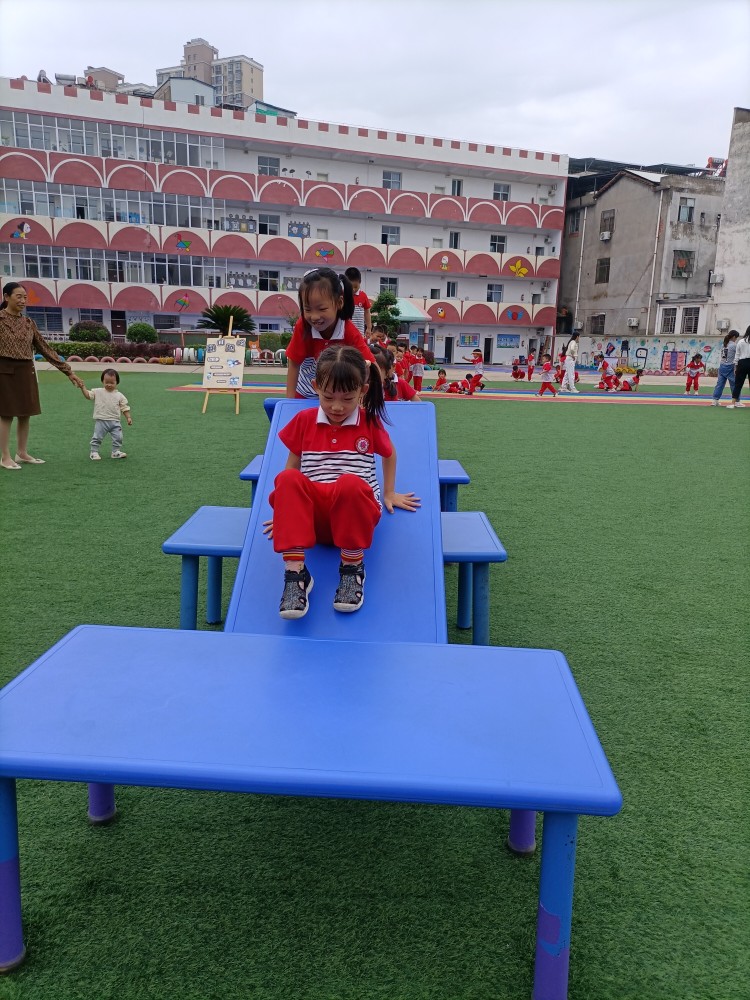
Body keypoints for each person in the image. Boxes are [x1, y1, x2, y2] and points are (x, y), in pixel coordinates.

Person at [264, 345, 420, 619]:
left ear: (363, 390)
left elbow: (389, 454)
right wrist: (287, 514)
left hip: (353, 515)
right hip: (315, 521)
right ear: (315, 387)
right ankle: (296, 574)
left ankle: (352, 568)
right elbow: (292, 467)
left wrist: (390, 492)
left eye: (347, 399)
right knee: (286, 479)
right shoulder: (304, 420)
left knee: (350, 483)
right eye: (328, 397)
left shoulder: (368, 422)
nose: (337, 407)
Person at [0, 281, 85, 469]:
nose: (23, 301)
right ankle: (5, 457)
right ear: (6, 297)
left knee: (25, 413)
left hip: (26, 370)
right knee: (6, 414)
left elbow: (44, 348)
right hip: (4, 371)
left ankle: (22, 453)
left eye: (25, 297)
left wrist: (68, 372)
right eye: (18, 297)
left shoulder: (28, 323)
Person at [284, 268, 374, 398]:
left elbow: (372, 365)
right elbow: (294, 364)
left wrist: (368, 398)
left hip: (335, 395)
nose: (314, 317)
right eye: (307, 309)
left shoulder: (348, 330)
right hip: (305, 392)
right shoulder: (303, 326)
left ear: (339, 303)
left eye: (322, 309)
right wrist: (290, 401)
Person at [81, 368, 132, 459]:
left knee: (118, 437)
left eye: (112, 382)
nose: (109, 384)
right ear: (102, 381)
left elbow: (124, 407)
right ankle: (94, 452)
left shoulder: (119, 396)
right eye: (106, 382)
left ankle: (115, 452)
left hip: (115, 421)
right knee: (97, 437)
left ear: (117, 382)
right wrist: (83, 387)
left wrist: (128, 417)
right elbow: (88, 396)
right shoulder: (97, 392)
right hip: (101, 421)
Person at [344, 267, 372, 340]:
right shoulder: (342, 295)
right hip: (345, 331)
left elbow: (367, 312)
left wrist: (369, 327)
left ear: (360, 282)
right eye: (351, 287)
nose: (353, 289)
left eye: (356, 287)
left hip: (359, 331)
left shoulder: (363, 295)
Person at [712, 331, 738, 406]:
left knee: (720, 384)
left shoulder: (724, 344)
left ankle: (715, 400)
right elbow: (738, 355)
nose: (736, 339)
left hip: (722, 365)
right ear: (734, 337)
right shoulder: (734, 345)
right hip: (730, 366)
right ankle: (737, 401)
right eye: (736, 338)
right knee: (734, 384)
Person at [728, 325, 750, 408]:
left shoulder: (741, 341)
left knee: (738, 384)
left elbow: (737, 355)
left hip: (742, 363)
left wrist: (735, 367)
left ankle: (733, 403)